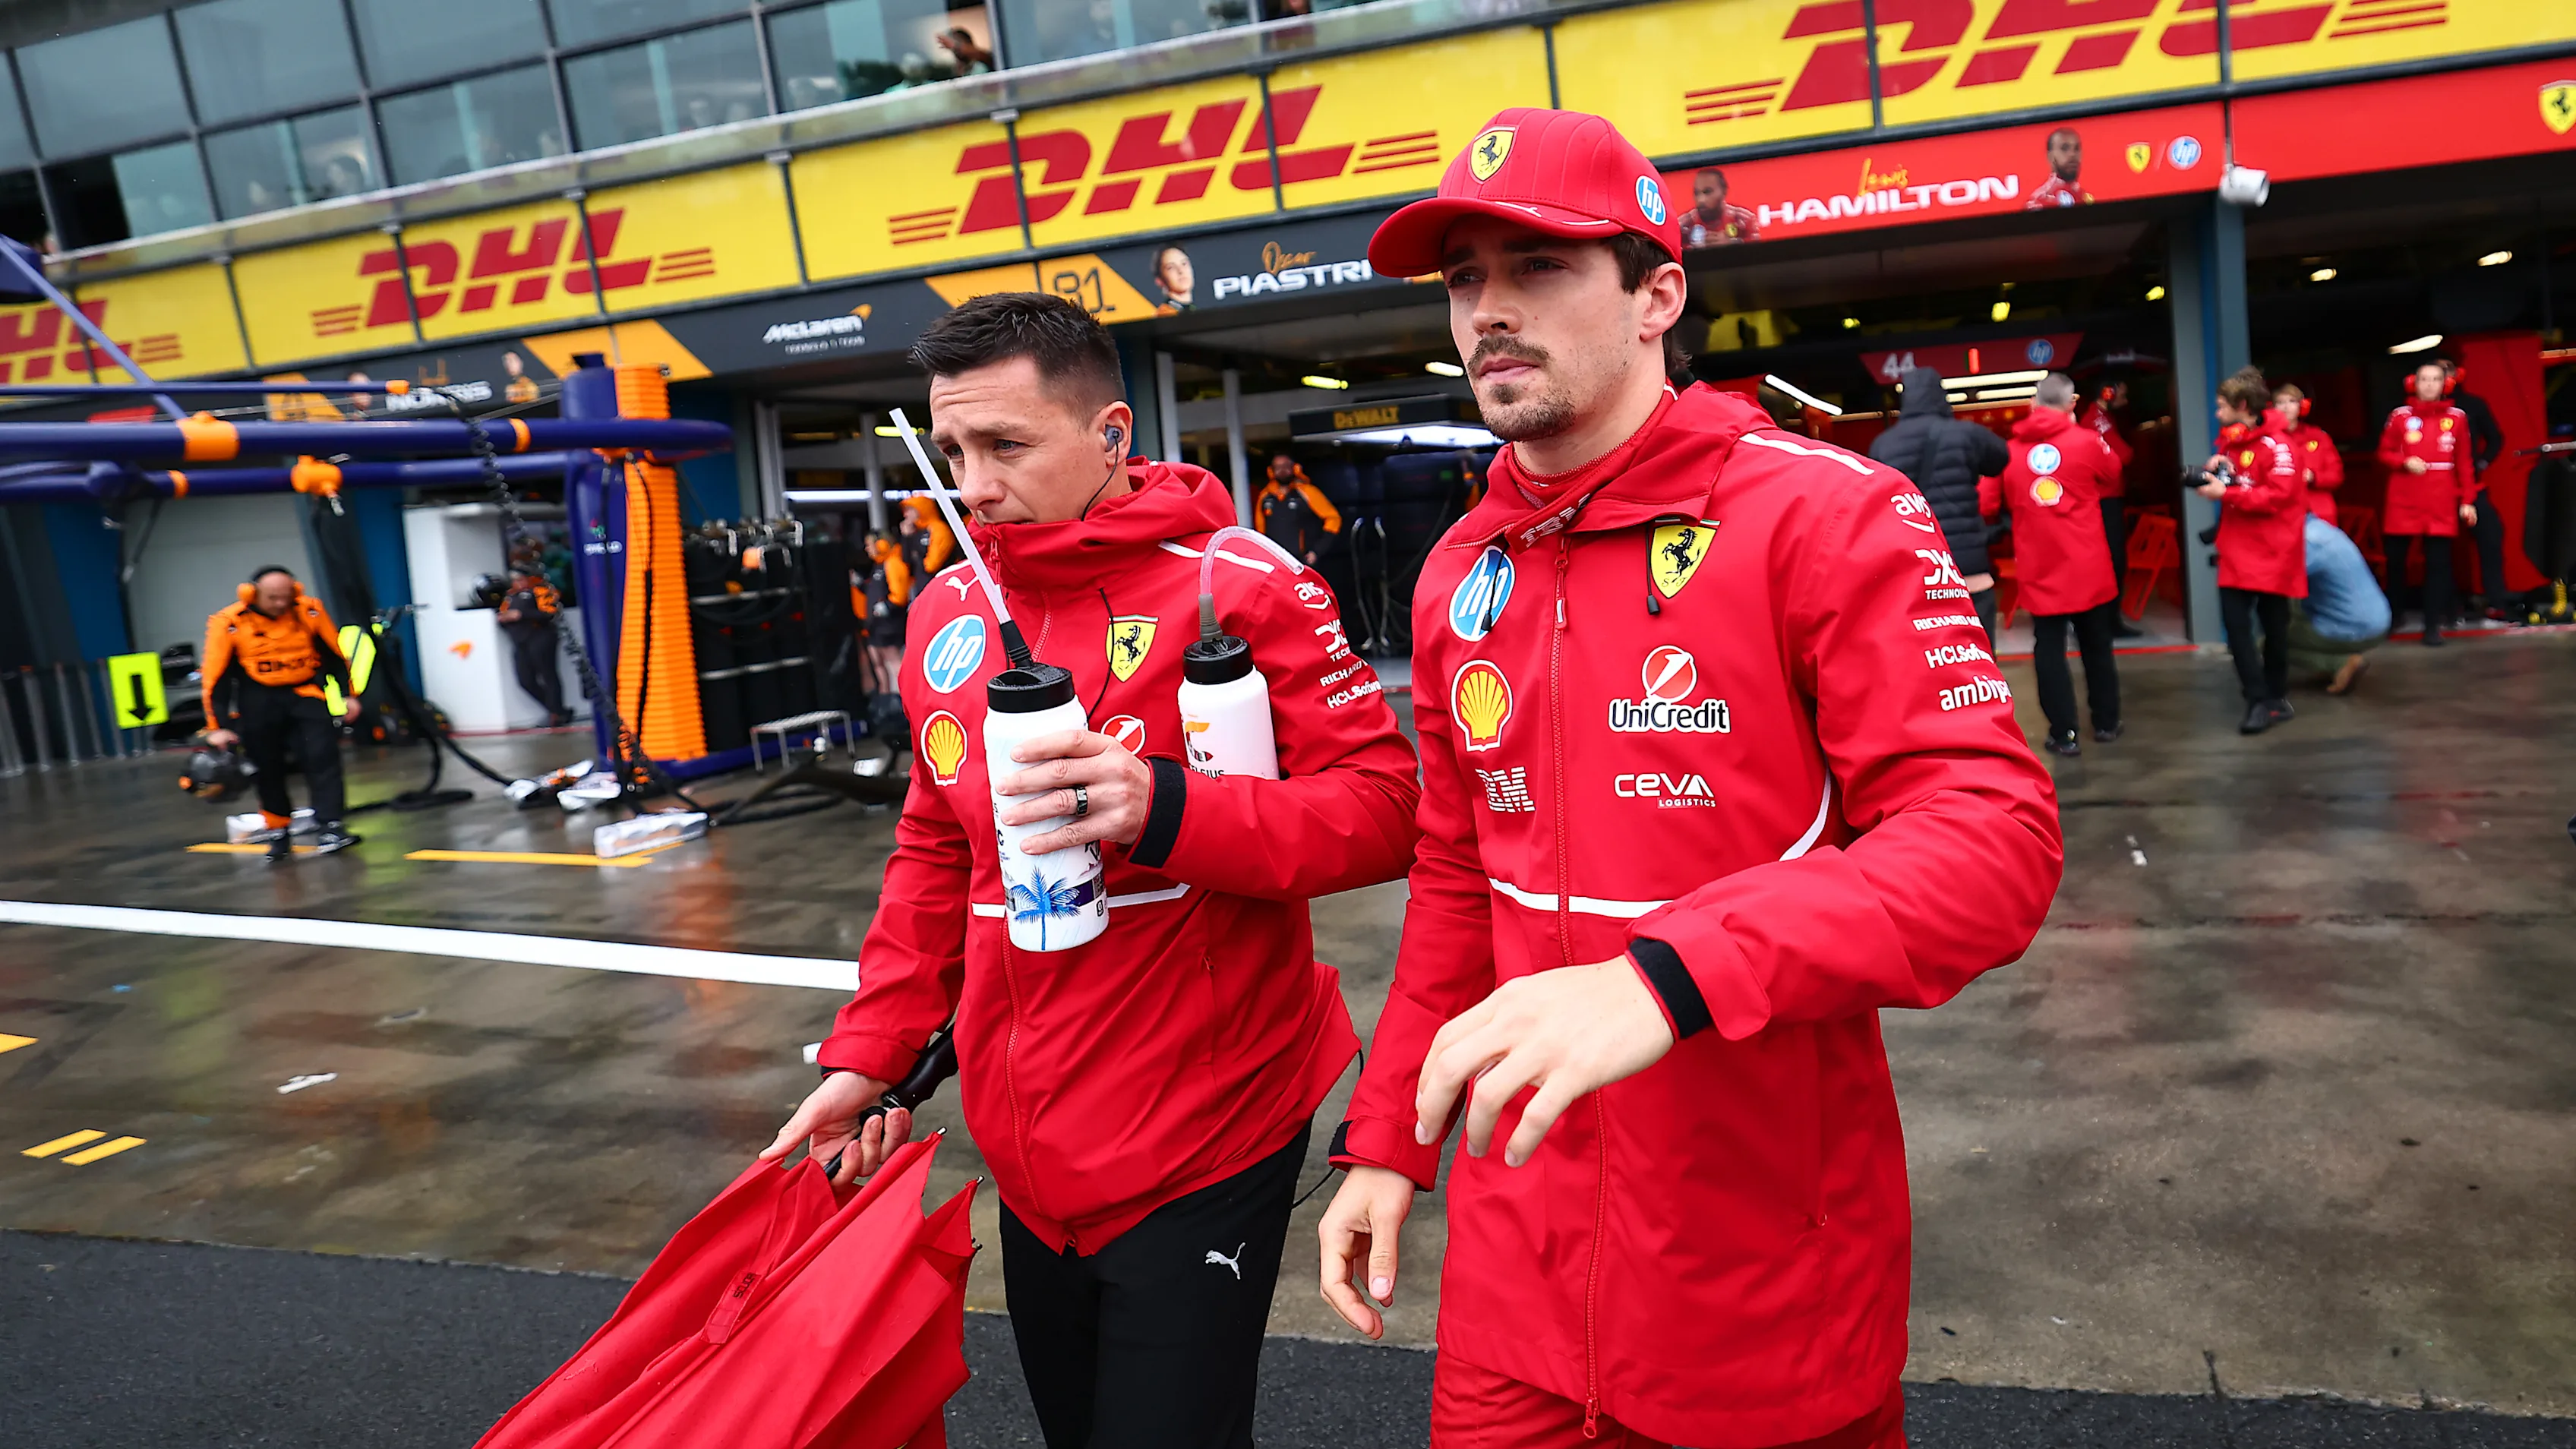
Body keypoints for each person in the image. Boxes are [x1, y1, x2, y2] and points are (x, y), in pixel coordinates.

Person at [1316, 107, 2063, 1449]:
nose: (1488, 309)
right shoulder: (1454, 572)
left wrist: (1667, 970)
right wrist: (1387, 1137)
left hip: (1758, 1277)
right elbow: (1451, 871)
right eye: (1462, 277)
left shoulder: (1822, 512)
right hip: (1514, 1269)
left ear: (1658, 292)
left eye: (1536, 268)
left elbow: (1989, 839)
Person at [766, 292, 1420, 1449]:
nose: (972, 486)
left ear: (1112, 435)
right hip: (1029, 1140)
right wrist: (870, 1060)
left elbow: (1385, 813)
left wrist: (1160, 805)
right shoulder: (947, 613)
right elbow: (931, 850)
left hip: (1205, 1130)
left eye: (1007, 447)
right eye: (954, 449)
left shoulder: (1243, 584)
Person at [1980, 373, 2123, 756]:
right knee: (2097, 645)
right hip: (2088, 564)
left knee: (2048, 648)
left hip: (2040, 566)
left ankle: (2064, 734)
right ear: (2071, 404)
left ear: (2033, 404)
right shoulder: (2089, 442)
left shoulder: (2006, 452)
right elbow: (2114, 473)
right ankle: (2106, 723)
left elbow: (1986, 504)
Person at [200, 567, 362, 861]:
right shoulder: (230, 623)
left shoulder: (309, 612)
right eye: (272, 598)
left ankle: (331, 826)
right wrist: (218, 726)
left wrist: (349, 696)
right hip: (258, 702)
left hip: (306, 696)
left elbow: (335, 656)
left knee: (322, 757)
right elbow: (215, 679)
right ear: (252, 594)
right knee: (266, 768)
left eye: (285, 597)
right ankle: (278, 831)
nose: (279, 604)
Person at [2197, 366, 2309, 733]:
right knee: (2237, 628)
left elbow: (2277, 496)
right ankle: (2257, 698)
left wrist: (2224, 492)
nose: (2217, 414)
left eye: (2220, 407)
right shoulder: (2232, 441)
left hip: (2274, 552)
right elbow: (2240, 477)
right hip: (2237, 550)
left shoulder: (2280, 447)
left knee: (2276, 629)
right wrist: (2218, 470)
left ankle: (2275, 697)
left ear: (2242, 406)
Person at [1870, 364, 2010, 639]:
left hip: (1917, 569)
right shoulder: (1966, 435)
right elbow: (2000, 459)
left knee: (1930, 660)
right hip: (1968, 567)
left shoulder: (1882, 446)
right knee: (1979, 660)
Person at [2374, 360, 2481, 646]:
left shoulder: (2458, 417)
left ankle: (2432, 626)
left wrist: (2468, 500)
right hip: (2403, 498)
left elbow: (2465, 463)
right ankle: (2393, 618)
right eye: (2424, 379)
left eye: (2435, 379)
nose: (2429, 384)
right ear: (2413, 383)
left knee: (2438, 565)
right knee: (2396, 563)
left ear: (2445, 384)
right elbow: (2383, 452)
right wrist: (2403, 461)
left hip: (2441, 499)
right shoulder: (2399, 416)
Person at [2289, 512, 2389, 694]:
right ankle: (2331, 665)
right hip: (2379, 620)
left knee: (2267, 642)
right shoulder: (2324, 531)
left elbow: (2282, 585)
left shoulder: (2306, 542)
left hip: (2353, 627)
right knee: (2297, 613)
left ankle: (2337, 663)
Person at [2442, 358, 2511, 617]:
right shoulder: (2419, 411)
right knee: (2440, 549)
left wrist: (2480, 462)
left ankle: (2497, 602)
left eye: (2447, 370)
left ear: (2458, 373)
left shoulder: (2472, 404)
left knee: (2491, 537)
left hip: (2472, 484)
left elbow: (2496, 438)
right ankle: (2447, 607)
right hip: (2438, 488)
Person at [496, 558, 572, 727]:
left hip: (542, 637)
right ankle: (557, 710)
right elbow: (502, 616)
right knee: (525, 680)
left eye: (521, 578)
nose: (518, 582)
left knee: (548, 675)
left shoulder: (542, 590)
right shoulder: (510, 596)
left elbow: (551, 613)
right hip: (520, 641)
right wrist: (505, 619)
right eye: (515, 579)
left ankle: (556, 714)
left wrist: (522, 615)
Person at [2270, 383, 2343, 524]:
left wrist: (2313, 477)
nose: (2286, 407)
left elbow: (2336, 475)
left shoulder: (2318, 436)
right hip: (2281, 512)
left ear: (2302, 406)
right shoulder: (2268, 440)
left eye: (2292, 401)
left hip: (2318, 511)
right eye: (2280, 402)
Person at [1255, 453, 1342, 564]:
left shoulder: (1307, 492)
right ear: (1271, 470)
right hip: (1276, 562)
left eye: (1286, 466)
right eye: (1278, 467)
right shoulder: (1265, 496)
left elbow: (1334, 519)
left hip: (1303, 561)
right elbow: (1260, 530)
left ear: (1295, 468)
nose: (1282, 470)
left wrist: (1317, 551)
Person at [1678, 167, 1757, 247]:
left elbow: (1758, 254)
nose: (1701, 200)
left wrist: (1731, 245)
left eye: (1708, 192)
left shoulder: (1744, 220)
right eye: (1696, 193)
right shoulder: (1681, 227)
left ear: (1724, 191)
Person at [2026, 127, 2091, 208]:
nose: (2072, 154)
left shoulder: (2083, 195)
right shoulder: (2040, 201)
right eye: (2064, 148)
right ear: (2051, 157)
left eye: (2076, 148)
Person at [1151, 245, 1195, 313]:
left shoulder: (1192, 309)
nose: (1181, 271)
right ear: (1159, 281)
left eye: (1184, 264)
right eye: (1171, 267)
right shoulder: (1165, 314)